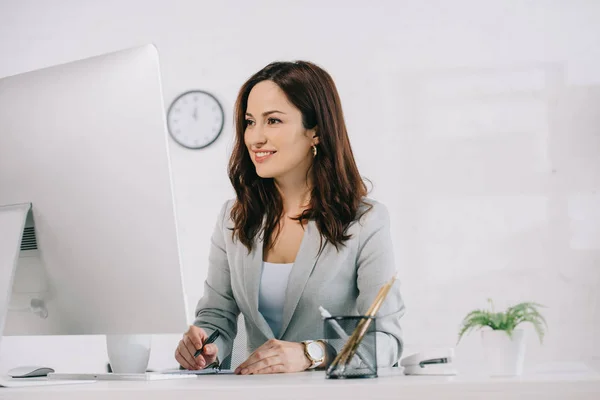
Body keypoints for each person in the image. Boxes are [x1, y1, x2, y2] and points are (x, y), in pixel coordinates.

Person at [174, 60, 405, 375]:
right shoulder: (234, 216)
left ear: (317, 131)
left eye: (273, 121)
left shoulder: (365, 220)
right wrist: (205, 346)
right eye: (249, 121)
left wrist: (312, 353)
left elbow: (385, 341)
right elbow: (217, 317)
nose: (255, 138)